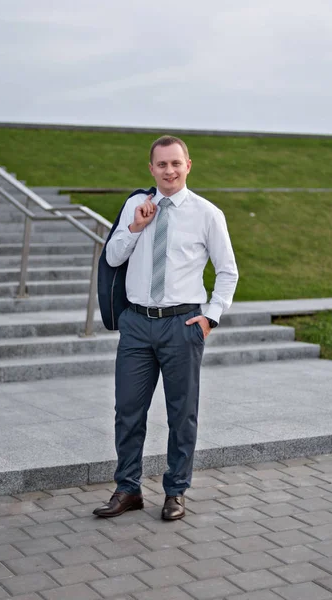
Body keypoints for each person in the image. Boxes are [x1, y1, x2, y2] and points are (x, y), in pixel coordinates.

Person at [93, 135, 238, 520]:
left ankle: (176, 491)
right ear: (151, 168)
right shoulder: (134, 206)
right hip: (137, 325)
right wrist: (136, 226)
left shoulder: (208, 214)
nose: (169, 171)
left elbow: (228, 271)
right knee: (127, 410)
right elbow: (112, 256)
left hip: (182, 325)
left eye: (176, 163)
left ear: (188, 165)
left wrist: (210, 317)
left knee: (182, 414)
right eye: (162, 164)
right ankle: (128, 489)